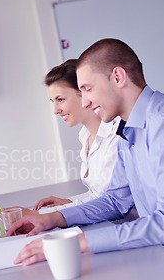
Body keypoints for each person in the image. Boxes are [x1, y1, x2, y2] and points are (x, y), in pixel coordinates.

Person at [8, 38, 164, 265]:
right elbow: (115, 200)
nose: (85, 102)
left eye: (88, 89)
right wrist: (54, 219)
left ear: (118, 77)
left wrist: (77, 242)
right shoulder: (128, 128)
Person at [26, 59, 121, 216]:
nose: (56, 110)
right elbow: (97, 195)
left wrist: (43, 215)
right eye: (53, 102)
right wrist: (68, 203)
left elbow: (111, 203)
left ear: (83, 92)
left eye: (60, 99)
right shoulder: (85, 137)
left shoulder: (116, 135)